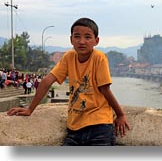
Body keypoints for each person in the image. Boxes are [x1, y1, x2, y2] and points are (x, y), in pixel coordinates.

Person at [7, 17, 130, 146]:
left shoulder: (99, 58)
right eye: (77, 36)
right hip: (74, 127)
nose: (82, 41)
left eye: (87, 37)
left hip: (99, 125)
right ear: (71, 39)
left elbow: (104, 89)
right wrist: (30, 109)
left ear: (96, 41)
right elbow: (46, 81)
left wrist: (120, 114)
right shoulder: (68, 57)